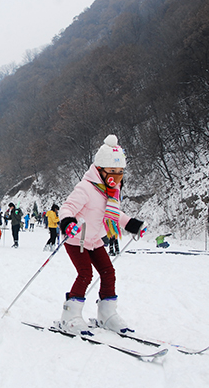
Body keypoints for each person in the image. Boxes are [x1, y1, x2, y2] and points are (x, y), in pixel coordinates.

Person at [58, 135, 147, 335]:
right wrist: (68, 223)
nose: (116, 176)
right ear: (100, 170)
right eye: (112, 171)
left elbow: (115, 215)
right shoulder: (86, 188)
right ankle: (69, 316)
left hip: (95, 241)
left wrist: (133, 225)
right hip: (76, 239)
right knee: (85, 274)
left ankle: (107, 314)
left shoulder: (111, 193)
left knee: (108, 272)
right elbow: (68, 207)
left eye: (120, 172)